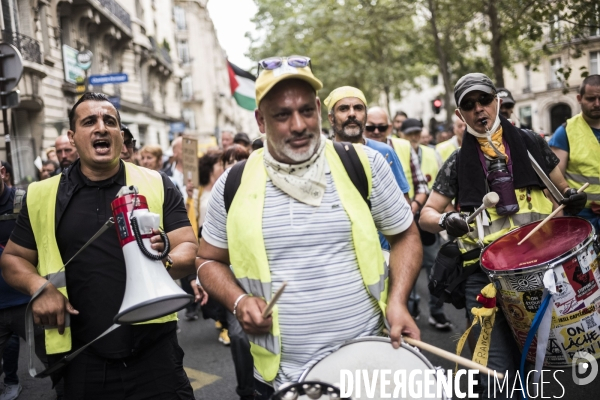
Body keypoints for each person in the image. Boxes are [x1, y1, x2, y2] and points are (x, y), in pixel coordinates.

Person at [197, 57, 422, 398]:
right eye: (282, 115)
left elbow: (405, 234)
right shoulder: (233, 183)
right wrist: (239, 300)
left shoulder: (363, 163)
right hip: (283, 378)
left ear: (319, 108)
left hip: (369, 365)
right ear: (260, 120)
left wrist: (399, 301)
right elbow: (207, 260)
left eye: (306, 110)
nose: (298, 125)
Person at [0, 92, 198, 399]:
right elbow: (13, 259)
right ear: (73, 136)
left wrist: (166, 254)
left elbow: (188, 244)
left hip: (155, 352)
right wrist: (40, 287)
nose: (101, 127)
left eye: (110, 121)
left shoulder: (157, 182)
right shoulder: (40, 195)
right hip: (82, 357)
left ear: (120, 134)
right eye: (89, 121)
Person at [419, 73, 586, 398]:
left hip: (537, 274)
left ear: (496, 101)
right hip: (484, 280)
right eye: (469, 105)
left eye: (484, 100)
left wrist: (571, 197)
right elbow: (426, 216)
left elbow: (560, 188)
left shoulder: (531, 142)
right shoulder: (456, 161)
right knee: (497, 377)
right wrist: (446, 219)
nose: (479, 109)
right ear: (459, 114)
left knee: (541, 368)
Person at [324, 86, 411, 251]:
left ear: (365, 116)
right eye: (343, 109)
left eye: (358, 108)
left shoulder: (384, 152)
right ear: (331, 118)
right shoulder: (322, 155)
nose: (352, 114)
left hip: (384, 253)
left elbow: (404, 205)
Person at [399, 118, 450, 329]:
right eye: (409, 133)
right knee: (406, 265)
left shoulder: (431, 153)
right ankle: (410, 309)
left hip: (428, 218)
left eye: (417, 132)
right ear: (401, 134)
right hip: (404, 218)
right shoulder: (395, 150)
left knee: (434, 266)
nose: (414, 137)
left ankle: (436, 313)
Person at [549, 74, 600, 232]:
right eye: (591, 99)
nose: (597, 104)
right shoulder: (565, 132)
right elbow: (553, 184)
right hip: (582, 217)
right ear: (579, 98)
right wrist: (560, 221)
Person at [365, 107, 430, 219]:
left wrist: (412, 208)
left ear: (389, 128)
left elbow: (421, 185)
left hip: (405, 217)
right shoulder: (355, 149)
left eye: (382, 127)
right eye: (370, 127)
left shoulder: (404, 146)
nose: (376, 131)